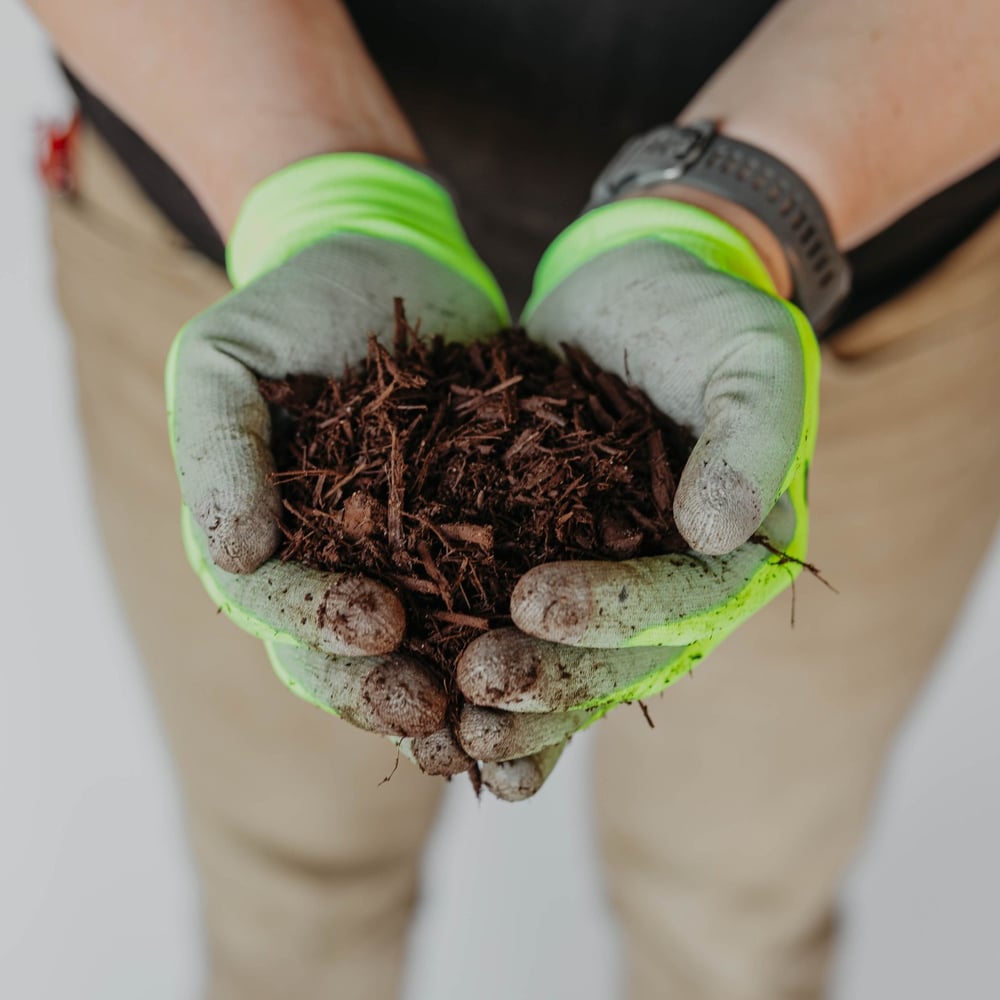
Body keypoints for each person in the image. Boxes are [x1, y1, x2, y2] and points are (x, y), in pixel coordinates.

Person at [27, 0, 1000, 997]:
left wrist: (742, 209)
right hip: (220, 173)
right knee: (289, 881)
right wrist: (318, 192)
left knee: (736, 908)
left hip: (875, 219)